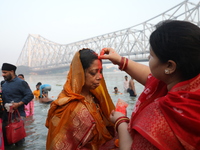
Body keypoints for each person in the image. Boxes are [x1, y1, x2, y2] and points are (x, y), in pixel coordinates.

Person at [99, 20, 200, 149]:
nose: (148, 58)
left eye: (151, 56)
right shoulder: (190, 84)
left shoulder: (158, 117)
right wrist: (120, 60)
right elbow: (152, 78)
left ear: (169, 66)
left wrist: (121, 122)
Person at [45, 48, 117, 150]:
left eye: (100, 72)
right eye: (93, 73)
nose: (99, 77)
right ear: (80, 74)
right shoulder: (68, 106)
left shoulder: (95, 98)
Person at [1, 63, 34, 146]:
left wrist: (19, 104)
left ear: (12, 71)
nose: (3, 74)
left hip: (18, 116)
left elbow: (30, 95)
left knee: (18, 140)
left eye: (5, 72)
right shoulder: (4, 84)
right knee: (7, 140)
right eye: (2, 72)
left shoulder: (21, 83)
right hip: (6, 116)